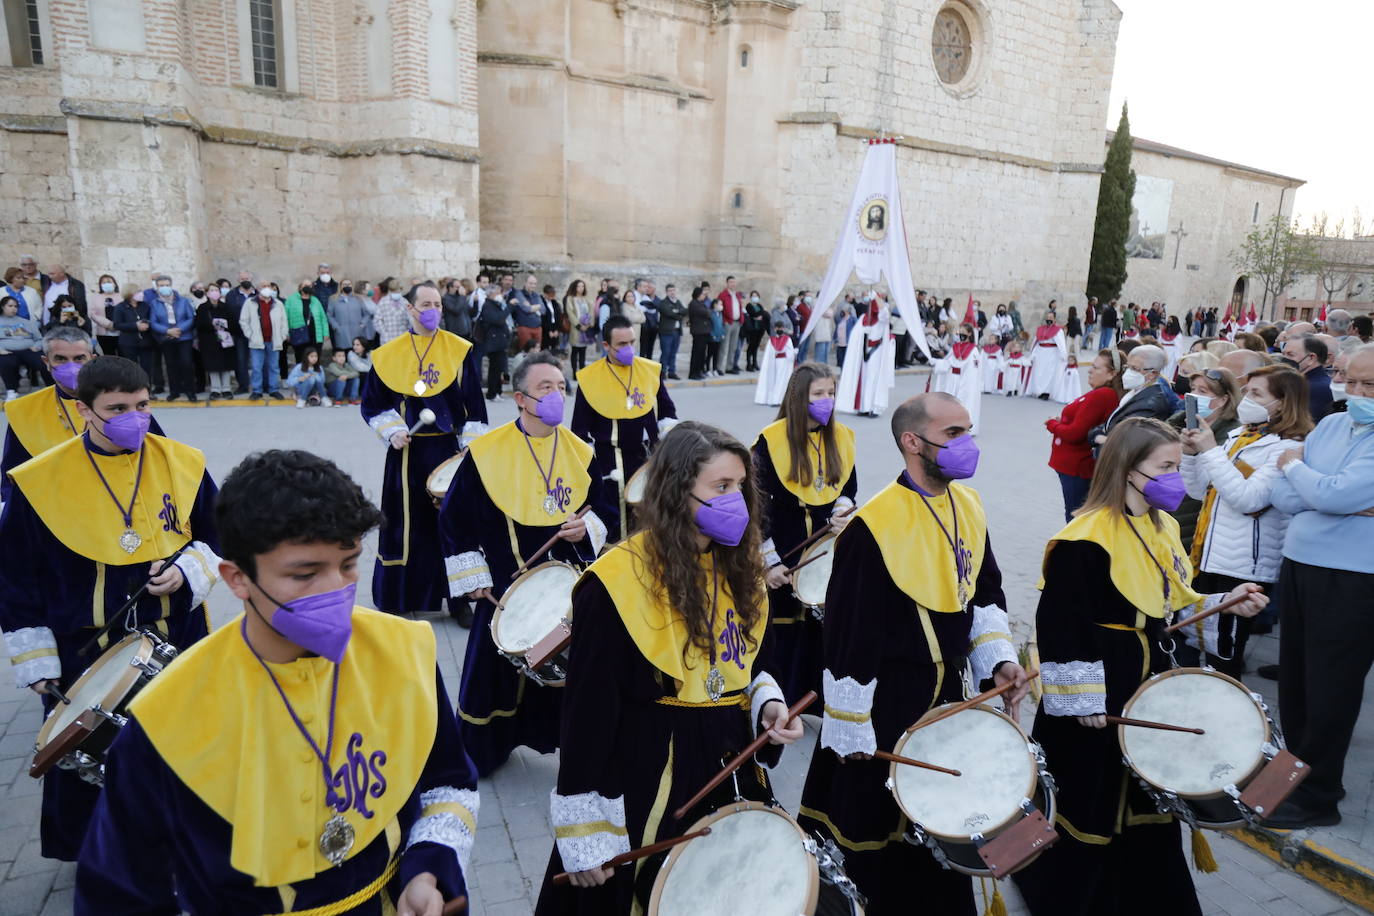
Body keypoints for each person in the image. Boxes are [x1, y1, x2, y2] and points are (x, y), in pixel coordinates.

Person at [74, 449, 479, 914]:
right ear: (238, 579)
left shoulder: (405, 650)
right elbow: (120, 889)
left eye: (348, 564)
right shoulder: (165, 717)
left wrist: (428, 869)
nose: (336, 591)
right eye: (304, 574)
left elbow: (449, 784)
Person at [533, 421, 805, 915]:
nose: (736, 500)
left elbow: (748, 660)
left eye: (740, 487)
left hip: (728, 764)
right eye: (721, 487)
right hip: (648, 771)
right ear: (679, 492)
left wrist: (767, 704)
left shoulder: (738, 565)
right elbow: (587, 716)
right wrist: (584, 831)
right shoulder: (614, 583)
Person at [1012, 418, 1267, 915]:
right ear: (1128, 470)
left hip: (1149, 681)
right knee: (1092, 791)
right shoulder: (1083, 539)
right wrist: (1082, 701)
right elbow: (1062, 623)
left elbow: (1170, 604)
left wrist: (1226, 602)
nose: (1177, 477)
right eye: (1165, 466)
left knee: (1147, 791)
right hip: (1102, 686)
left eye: (1178, 464)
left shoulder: (1163, 525)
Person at [797, 393, 1028, 914]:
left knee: (944, 833)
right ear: (911, 442)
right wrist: (852, 726)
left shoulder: (968, 505)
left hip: (949, 699)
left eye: (968, 431)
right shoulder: (871, 527)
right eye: (953, 434)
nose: (966, 445)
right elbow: (848, 636)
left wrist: (998, 662)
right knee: (875, 840)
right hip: (885, 709)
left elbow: (985, 591)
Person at [0, 356, 220, 862]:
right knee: (91, 764)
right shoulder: (38, 481)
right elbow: (14, 575)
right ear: (85, 411)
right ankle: (105, 861)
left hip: (176, 633)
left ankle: (186, 850)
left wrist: (188, 570)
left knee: (185, 749)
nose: (135, 418)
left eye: (142, 406)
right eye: (117, 408)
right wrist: (36, 665)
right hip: (84, 651)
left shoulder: (182, 461)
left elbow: (220, 535)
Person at [441, 352, 614, 776]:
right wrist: (474, 579)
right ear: (520, 398)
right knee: (490, 674)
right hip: (503, 584)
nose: (556, 395)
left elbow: (604, 510)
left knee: (569, 673)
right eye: (545, 388)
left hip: (565, 586)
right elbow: (454, 519)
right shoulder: (484, 453)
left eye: (560, 387)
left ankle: (569, 747)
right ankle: (483, 753)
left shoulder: (580, 451)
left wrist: (586, 527)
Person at [1262, 345, 1374, 828]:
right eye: (1352, 381)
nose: (1358, 392)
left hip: (1353, 575)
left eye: (1370, 385)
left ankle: (1319, 794)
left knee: (1332, 686)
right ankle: (1297, 771)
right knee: (1298, 680)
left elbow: (1336, 492)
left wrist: (1299, 471)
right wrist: (1320, 491)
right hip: (1302, 561)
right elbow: (1286, 496)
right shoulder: (1332, 423)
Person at [360, 283, 488, 618]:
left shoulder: (459, 350)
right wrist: (393, 431)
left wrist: (468, 451)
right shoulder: (389, 355)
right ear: (410, 309)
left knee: (454, 525)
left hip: (449, 451)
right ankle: (401, 597)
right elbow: (373, 404)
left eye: (437, 304)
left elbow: (474, 406)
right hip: (406, 455)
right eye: (425, 304)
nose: (432, 309)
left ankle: (460, 600)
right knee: (405, 526)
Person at [1177, 365, 1310, 677]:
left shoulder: (1289, 445)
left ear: (1283, 402)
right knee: (1193, 640)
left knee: (1224, 651)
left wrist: (1210, 450)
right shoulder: (1241, 434)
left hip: (1242, 566)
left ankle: (1224, 712)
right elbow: (1199, 490)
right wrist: (1190, 454)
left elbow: (1248, 499)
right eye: (1247, 391)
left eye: (1257, 393)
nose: (1246, 399)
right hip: (1210, 553)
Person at [752, 362, 857, 702]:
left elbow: (848, 490)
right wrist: (768, 561)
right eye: (818, 394)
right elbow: (755, 507)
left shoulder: (842, 437)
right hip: (784, 551)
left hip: (825, 556)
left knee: (820, 636)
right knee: (783, 636)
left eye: (831, 393)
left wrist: (842, 513)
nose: (827, 400)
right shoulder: (770, 442)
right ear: (799, 398)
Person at [571, 315, 679, 538]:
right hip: (611, 465)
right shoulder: (590, 379)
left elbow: (667, 412)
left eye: (632, 342)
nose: (629, 348)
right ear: (606, 345)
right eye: (622, 344)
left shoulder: (650, 371)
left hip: (650, 460)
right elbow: (579, 432)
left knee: (652, 525)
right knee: (617, 528)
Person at [0, 326, 124, 502]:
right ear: (46, 362)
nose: (71, 366)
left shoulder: (124, 402)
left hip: (115, 499)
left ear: (92, 360)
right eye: (61, 359)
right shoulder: (24, 410)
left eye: (79, 358)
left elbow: (154, 456)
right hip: (53, 505)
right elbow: (14, 470)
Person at [1046, 348, 1124, 520]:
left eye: (1096, 368)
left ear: (1111, 374)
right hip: (1076, 466)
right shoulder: (1102, 392)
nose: (1089, 370)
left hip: (1077, 467)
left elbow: (1075, 433)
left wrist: (1052, 424)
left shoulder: (1102, 395)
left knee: (1075, 517)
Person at [1089, 344, 1181, 446]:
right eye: (1127, 367)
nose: (1128, 372)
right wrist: (1097, 436)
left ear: (1152, 374)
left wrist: (1099, 437)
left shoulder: (1151, 404)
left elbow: (1119, 440)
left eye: (1134, 369)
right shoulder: (1137, 391)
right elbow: (1107, 425)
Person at [836, 295, 896, 417]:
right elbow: (855, 334)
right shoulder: (864, 318)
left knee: (873, 379)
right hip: (863, 350)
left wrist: (876, 296)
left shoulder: (881, 318)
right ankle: (863, 407)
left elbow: (884, 312)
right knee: (863, 378)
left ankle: (873, 407)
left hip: (876, 351)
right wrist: (863, 332)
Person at [145, 274, 197, 402]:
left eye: (167, 285)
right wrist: (167, 331)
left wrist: (179, 329)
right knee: (171, 365)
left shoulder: (184, 301)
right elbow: (153, 321)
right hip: (166, 338)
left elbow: (190, 318)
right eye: (161, 286)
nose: (164, 288)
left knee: (186, 363)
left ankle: (190, 390)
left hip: (184, 337)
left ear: (171, 286)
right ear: (157, 288)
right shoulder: (154, 303)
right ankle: (175, 391)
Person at [239, 282, 287, 400]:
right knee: (256, 367)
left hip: (274, 340)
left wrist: (282, 336)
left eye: (268, 287)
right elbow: (243, 321)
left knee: (274, 367)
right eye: (263, 286)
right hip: (257, 341)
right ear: (258, 289)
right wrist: (250, 335)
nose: (266, 289)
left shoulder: (278, 304)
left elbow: (284, 322)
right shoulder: (250, 303)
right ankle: (257, 391)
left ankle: (273, 389)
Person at [193, 284, 241, 399]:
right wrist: (213, 325)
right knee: (212, 366)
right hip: (209, 341)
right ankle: (215, 389)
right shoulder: (202, 308)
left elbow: (234, 323)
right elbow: (199, 324)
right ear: (207, 293)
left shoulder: (226, 307)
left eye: (216, 290)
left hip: (225, 339)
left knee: (226, 364)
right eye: (211, 290)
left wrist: (224, 326)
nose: (214, 292)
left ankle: (226, 389)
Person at [0, 295, 44, 402]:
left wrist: (37, 346)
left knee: (43, 362)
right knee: (7, 363)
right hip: (7, 351)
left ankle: (52, 389)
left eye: (15, 306)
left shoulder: (25, 322)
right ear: (2, 307)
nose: (13, 309)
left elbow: (39, 338)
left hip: (28, 349)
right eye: (10, 306)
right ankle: (12, 391)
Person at [1281, 333, 1334, 421]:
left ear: (1311, 358)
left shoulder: (1315, 387)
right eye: (1284, 354)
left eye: (1290, 355)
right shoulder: (1301, 382)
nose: (1284, 359)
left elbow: (1299, 423)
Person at [943, 323, 983, 433]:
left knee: (964, 403)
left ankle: (963, 428)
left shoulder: (973, 351)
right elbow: (947, 362)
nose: (960, 334)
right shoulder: (955, 347)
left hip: (965, 381)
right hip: (953, 380)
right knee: (950, 403)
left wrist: (965, 384)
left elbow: (972, 370)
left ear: (970, 334)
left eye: (963, 332)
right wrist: (937, 363)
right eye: (959, 332)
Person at [1024, 315, 1067, 400]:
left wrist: (1064, 356)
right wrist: (1032, 353)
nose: (1049, 319)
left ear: (1054, 319)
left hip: (1051, 353)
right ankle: (1039, 391)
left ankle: (1046, 392)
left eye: (1051, 318)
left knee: (1049, 373)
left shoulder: (1058, 331)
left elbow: (1061, 344)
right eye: (1047, 317)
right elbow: (1035, 341)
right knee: (1039, 372)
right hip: (1040, 352)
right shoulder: (1040, 329)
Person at [285, 281, 329, 364]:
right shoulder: (291, 299)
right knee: (300, 358)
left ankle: (314, 376)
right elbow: (285, 318)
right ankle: (302, 376)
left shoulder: (315, 300)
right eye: (305, 285)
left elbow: (323, 318)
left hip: (315, 334)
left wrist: (325, 333)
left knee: (315, 359)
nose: (307, 287)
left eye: (310, 285)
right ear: (300, 287)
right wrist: (286, 333)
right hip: (299, 334)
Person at [754, 322, 795, 406]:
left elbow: (790, 352)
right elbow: (768, 354)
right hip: (773, 363)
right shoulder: (771, 340)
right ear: (775, 329)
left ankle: (779, 400)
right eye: (778, 328)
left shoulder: (787, 339)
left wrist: (793, 353)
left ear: (783, 329)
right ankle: (772, 399)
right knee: (773, 380)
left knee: (782, 381)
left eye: (781, 328)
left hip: (783, 362)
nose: (779, 329)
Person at [327, 278, 375, 351]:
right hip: (342, 332)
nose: (347, 286)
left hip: (357, 331)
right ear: (340, 286)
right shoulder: (333, 299)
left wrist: (362, 324)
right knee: (344, 353)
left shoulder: (358, 298)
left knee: (357, 351)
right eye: (344, 284)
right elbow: (329, 315)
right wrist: (336, 327)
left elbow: (366, 314)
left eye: (349, 284)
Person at [563, 279, 596, 375]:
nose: (581, 288)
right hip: (576, 329)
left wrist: (589, 323)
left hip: (586, 328)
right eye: (578, 286)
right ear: (575, 287)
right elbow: (570, 313)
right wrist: (578, 325)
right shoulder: (570, 298)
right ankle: (574, 372)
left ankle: (582, 372)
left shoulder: (586, 299)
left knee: (583, 351)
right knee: (575, 350)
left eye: (582, 286)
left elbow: (591, 311)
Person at [656, 283, 686, 379]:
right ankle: (662, 372)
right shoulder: (663, 303)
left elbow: (685, 311)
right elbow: (668, 313)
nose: (672, 292)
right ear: (666, 292)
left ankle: (672, 372)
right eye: (670, 291)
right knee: (666, 352)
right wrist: (678, 313)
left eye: (673, 290)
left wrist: (676, 312)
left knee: (673, 352)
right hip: (666, 332)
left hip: (677, 331)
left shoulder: (678, 302)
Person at [509, 274, 545, 350]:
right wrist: (537, 306)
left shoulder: (537, 295)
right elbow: (526, 309)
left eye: (534, 284)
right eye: (531, 283)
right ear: (525, 283)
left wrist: (532, 307)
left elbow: (543, 310)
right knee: (525, 351)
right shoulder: (519, 294)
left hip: (538, 328)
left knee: (537, 352)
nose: (533, 285)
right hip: (525, 327)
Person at [718, 275, 745, 373]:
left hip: (737, 323)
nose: (733, 284)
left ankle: (729, 367)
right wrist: (724, 320)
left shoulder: (737, 295)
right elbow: (720, 308)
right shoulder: (723, 295)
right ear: (727, 283)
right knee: (723, 346)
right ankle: (719, 367)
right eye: (731, 282)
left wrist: (741, 319)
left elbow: (740, 307)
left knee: (733, 346)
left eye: (734, 282)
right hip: (727, 323)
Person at [743, 289, 768, 370]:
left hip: (759, 329)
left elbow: (763, 314)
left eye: (756, 296)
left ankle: (755, 362)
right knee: (750, 346)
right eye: (753, 296)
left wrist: (759, 315)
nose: (755, 297)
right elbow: (752, 314)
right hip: (752, 329)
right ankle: (748, 364)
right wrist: (759, 314)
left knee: (756, 346)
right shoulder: (748, 306)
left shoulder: (759, 305)